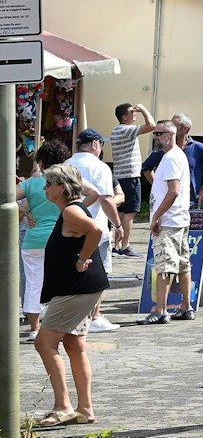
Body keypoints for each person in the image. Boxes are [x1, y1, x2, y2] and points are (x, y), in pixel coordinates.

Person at [31, 165, 106, 428]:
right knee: (74, 344)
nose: (44, 188)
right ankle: (84, 409)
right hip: (82, 287)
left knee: (44, 343)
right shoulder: (71, 209)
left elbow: (96, 231)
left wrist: (81, 259)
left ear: (61, 187)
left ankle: (63, 406)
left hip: (76, 288)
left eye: (48, 183)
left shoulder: (72, 210)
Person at [65, 129, 120, 333]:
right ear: (95, 145)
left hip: (68, 228)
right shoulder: (100, 167)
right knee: (99, 273)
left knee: (72, 271)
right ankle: (94, 315)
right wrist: (118, 224)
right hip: (95, 229)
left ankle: (75, 315)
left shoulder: (66, 165)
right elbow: (105, 199)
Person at [142, 118, 194, 324]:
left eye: (160, 133)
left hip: (170, 221)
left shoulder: (172, 158)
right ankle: (185, 306)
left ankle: (161, 310)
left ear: (171, 135)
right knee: (182, 264)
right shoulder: (173, 156)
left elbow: (173, 191)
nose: (155, 137)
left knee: (165, 265)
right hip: (178, 219)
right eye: (155, 133)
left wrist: (155, 216)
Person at [17, 148, 62, 336]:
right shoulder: (66, 182)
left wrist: (26, 212)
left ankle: (35, 328)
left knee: (33, 284)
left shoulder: (32, 183)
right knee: (60, 284)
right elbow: (92, 193)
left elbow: (8, 198)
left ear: (40, 162)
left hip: (34, 240)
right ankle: (57, 327)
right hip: (59, 239)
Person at [108, 102, 152, 256]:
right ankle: (126, 245)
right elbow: (151, 125)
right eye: (132, 112)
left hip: (119, 174)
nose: (135, 114)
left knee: (120, 212)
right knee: (130, 212)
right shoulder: (127, 130)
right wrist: (144, 109)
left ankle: (117, 245)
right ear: (124, 117)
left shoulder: (116, 130)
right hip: (131, 175)